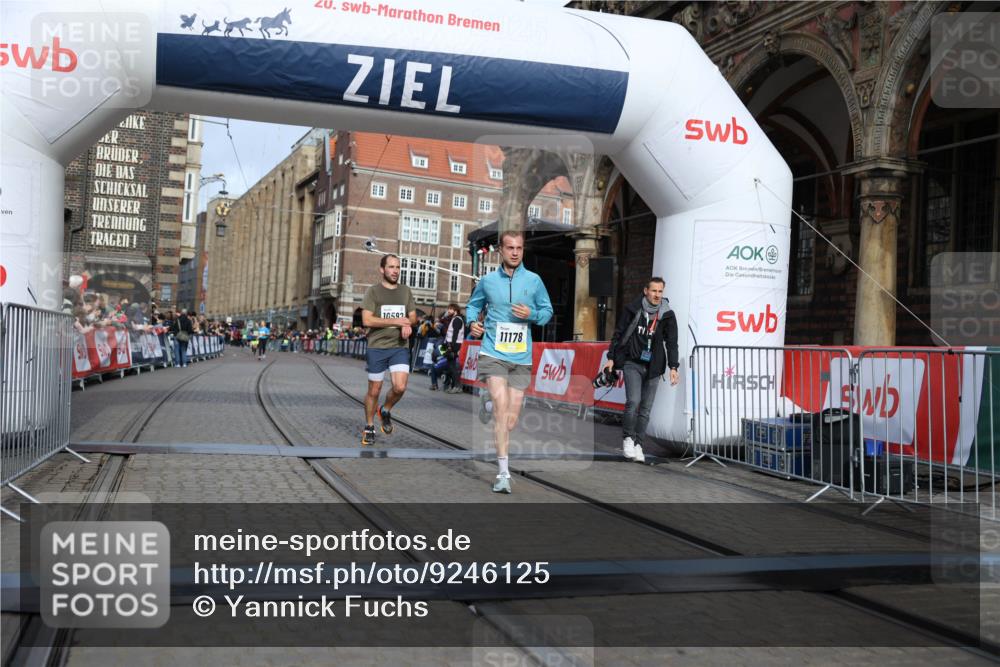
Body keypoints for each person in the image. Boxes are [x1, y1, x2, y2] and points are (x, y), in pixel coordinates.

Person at [466, 230, 553, 494]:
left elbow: (547, 312)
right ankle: (503, 473)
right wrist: (473, 324)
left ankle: (489, 402)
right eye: (510, 248)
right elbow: (473, 306)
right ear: (501, 250)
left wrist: (532, 314)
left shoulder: (534, 281)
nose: (515, 252)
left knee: (510, 420)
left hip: (521, 357)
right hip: (493, 353)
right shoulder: (488, 281)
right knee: (501, 414)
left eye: (519, 248)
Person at [604, 276, 680, 463]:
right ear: (646, 291)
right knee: (633, 401)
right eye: (653, 291)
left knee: (645, 409)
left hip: (654, 367)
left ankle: (638, 444)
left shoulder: (667, 314)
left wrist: (673, 366)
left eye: (660, 291)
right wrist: (611, 358)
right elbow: (619, 333)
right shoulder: (633, 309)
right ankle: (628, 439)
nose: (657, 295)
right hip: (633, 363)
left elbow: (672, 343)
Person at [360, 254, 417, 446]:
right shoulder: (373, 292)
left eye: (398, 267)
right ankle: (369, 426)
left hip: (399, 347)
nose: (395, 271)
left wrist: (408, 324)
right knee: (374, 390)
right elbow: (367, 320)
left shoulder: (405, 291)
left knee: (400, 386)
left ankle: (385, 409)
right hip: (377, 347)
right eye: (391, 267)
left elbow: (413, 317)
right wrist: (396, 321)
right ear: (382, 269)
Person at [442, 303, 465, 394]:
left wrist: (451, 347)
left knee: (451, 366)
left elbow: (455, 334)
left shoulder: (457, 320)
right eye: (448, 309)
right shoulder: (454, 319)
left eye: (450, 309)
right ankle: (450, 385)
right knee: (449, 364)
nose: (448, 311)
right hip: (449, 343)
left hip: (453, 344)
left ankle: (456, 386)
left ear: (455, 310)